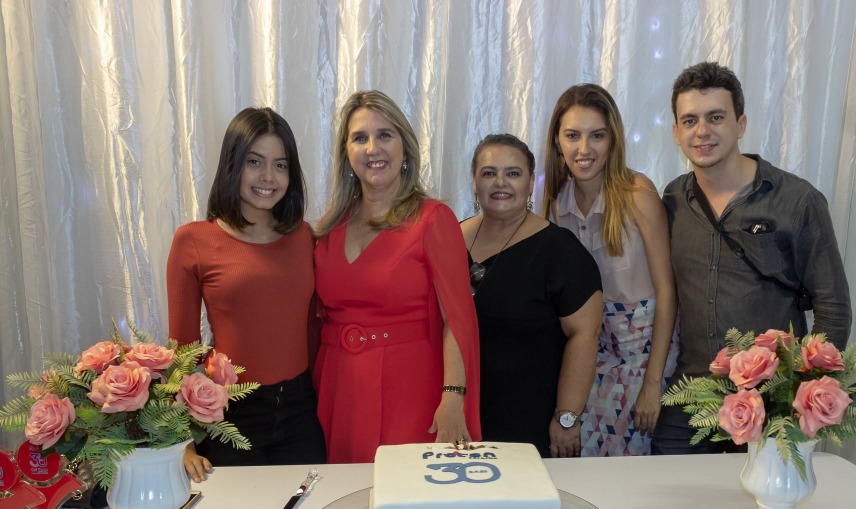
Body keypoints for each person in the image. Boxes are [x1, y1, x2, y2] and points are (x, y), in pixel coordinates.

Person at [653, 61, 852, 455]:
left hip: (771, 405)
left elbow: (833, 309)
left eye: (715, 117)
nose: (702, 130)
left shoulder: (796, 201)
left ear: (740, 124)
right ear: (676, 132)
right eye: (690, 120)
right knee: (665, 491)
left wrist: (802, 395)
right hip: (691, 399)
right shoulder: (673, 199)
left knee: (764, 497)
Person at [314, 91, 480, 463]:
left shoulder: (433, 219)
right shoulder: (328, 227)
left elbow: (457, 319)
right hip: (337, 387)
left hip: (410, 386)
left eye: (385, 135)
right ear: (346, 153)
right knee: (341, 493)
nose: (373, 148)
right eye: (360, 138)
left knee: (405, 489)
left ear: (404, 147)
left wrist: (454, 397)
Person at [167, 107, 326, 481]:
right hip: (231, 416)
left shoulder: (304, 237)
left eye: (280, 165)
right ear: (232, 165)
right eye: (255, 162)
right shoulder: (193, 240)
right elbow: (181, 352)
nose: (268, 176)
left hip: (301, 410)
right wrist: (183, 441)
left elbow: (313, 332)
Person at [542, 84, 677, 457]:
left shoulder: (638, 193)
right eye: (573, 136)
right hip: (588, 358)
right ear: (557, 142)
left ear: (613, 140)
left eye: (597, 136)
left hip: (644, 360)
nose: (584, 149)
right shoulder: (554, 204)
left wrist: (653, 384)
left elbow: (668, 291)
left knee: (631, 475)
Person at [463, 134, 602, 457]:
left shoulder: (560, 250)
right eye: (488, 173)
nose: (500, 182)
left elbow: (584, 336)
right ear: (474, 182)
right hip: (460, 414)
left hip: (529, 420)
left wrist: (566, 417)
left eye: (513, 173)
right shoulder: (450, 238)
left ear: (530, 183)